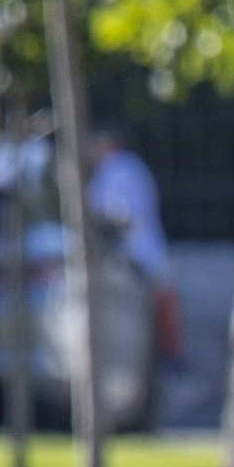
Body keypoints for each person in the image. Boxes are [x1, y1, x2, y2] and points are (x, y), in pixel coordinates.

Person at [87, 122, 179, 373]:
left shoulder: (117, 170)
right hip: (144, 250)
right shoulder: (129, 166)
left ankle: (170, 362)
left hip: (135, 253)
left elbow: (117, 212)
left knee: (153, 310)